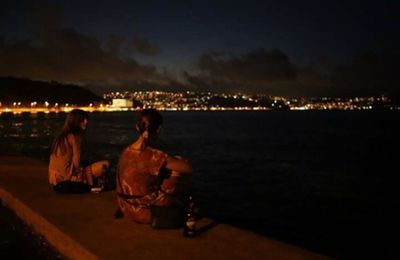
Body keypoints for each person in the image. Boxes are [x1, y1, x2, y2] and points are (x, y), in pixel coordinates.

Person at [116, 109, 192, 224]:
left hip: (125, 206)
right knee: (177, 171)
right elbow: (188, 168)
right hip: (143, 212)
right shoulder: (154, 156)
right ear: (158, 130)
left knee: (165, 169)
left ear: (137, 127)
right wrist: (177, 160)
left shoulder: (126, 151)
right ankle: (183, 206)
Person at [49, 109, 109, 193]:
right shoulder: (76, 136)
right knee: (105, 165)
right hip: (68, 179)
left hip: (55, 181)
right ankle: (92, 185)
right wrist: (83, 174)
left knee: (87, 164)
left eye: (86, 119)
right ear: (75, 122)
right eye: (82, 120)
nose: (86, 122)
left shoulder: (61, 136)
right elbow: (76, 162)